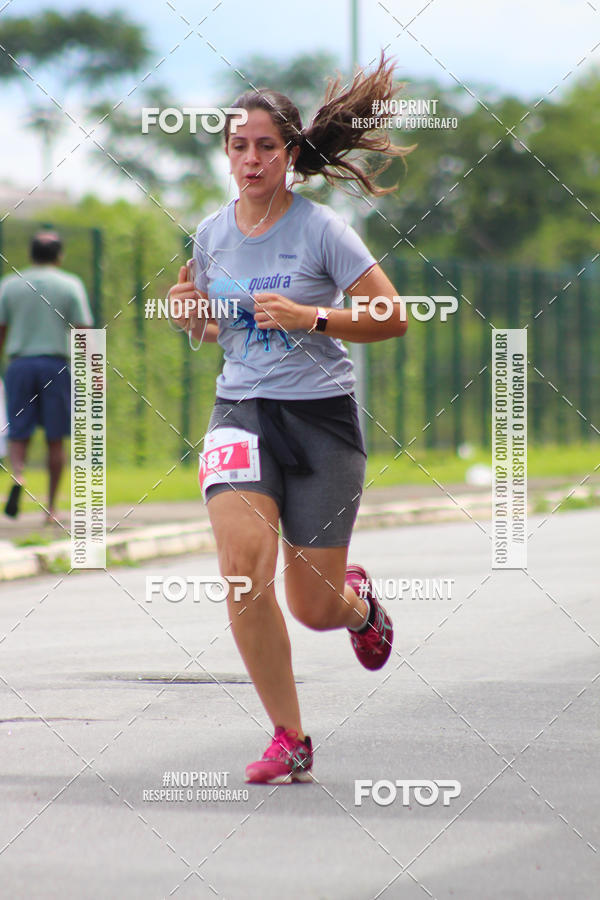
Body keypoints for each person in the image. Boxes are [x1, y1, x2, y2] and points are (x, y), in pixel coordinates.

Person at [168, 55, 411, 784]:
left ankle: (358, 606)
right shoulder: (211, 235)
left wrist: (315, 317)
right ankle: (289, 736)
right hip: (241, 411)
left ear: (291, 154)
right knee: (243, 570)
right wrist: (194, 318)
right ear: (226, 154)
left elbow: (391, 317)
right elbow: (226, 330)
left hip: (321, 420)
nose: (251, 159)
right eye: (239, 146)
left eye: (266, 146)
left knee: (312, 605)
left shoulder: (322, 230)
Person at [0, 230, 93, 522]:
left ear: (31, 255)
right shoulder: (70, 285)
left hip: (20, 364)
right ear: (59, 255)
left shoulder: (9, 285)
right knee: (56, 437)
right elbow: (83, 331)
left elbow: (1, 330)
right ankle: (51, 508)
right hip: (56, 365)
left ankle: (18, 474)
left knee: (18, 430)